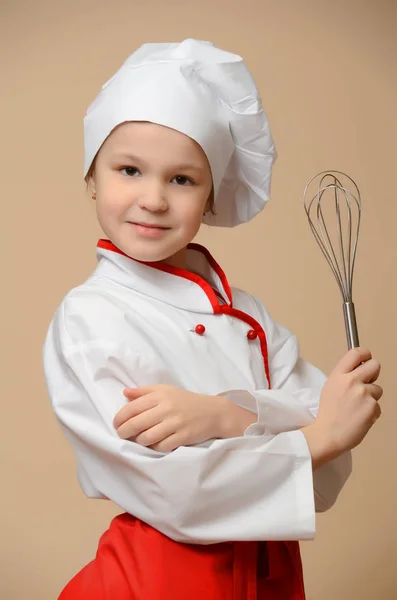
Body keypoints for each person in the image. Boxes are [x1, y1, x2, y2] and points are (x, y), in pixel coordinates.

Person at [42, 39, 382, 600]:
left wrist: (227, 415)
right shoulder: (92, 317)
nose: (152, 198)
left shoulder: (247, 313)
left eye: (182, 180)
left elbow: (330, 462)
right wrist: (308, 435)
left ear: (210, 199)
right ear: (92, 178)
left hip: (271, 575)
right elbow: (175, 491)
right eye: (129, 169)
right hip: (160, 578)